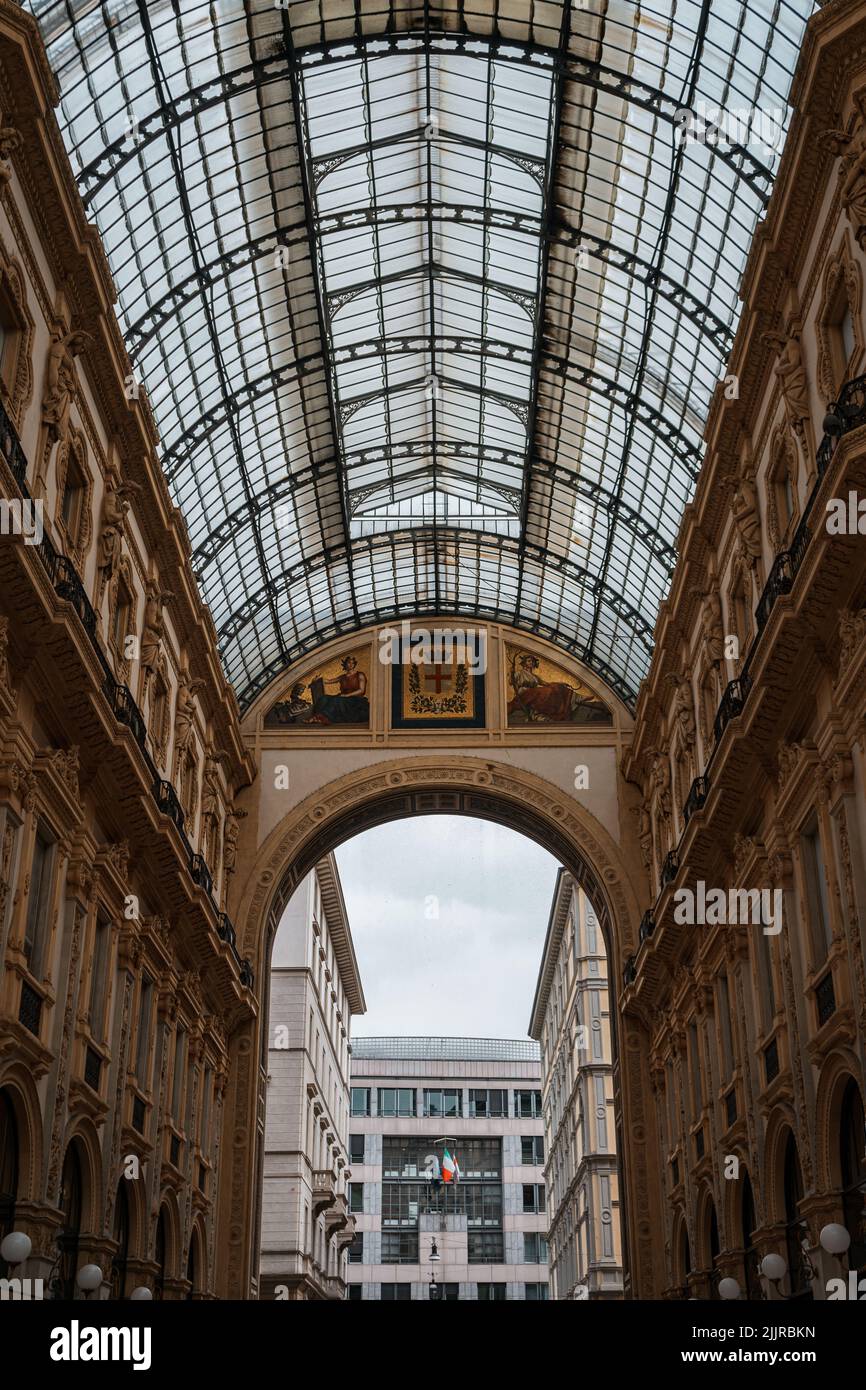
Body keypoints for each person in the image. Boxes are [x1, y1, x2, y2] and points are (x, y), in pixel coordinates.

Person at [308, 656, 369, 725]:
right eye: (349, 663)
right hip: (343, 698)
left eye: (353, 663)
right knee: (324, 698)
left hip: (355, 700)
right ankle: (315, 717)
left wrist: (346, 695)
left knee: (336, 700)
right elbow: (329, 681)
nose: (351, 665)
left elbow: (361, 690)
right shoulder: (343, 677)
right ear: (345, 664)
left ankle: (321, 718)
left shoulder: (360, 675)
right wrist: (318, 679)